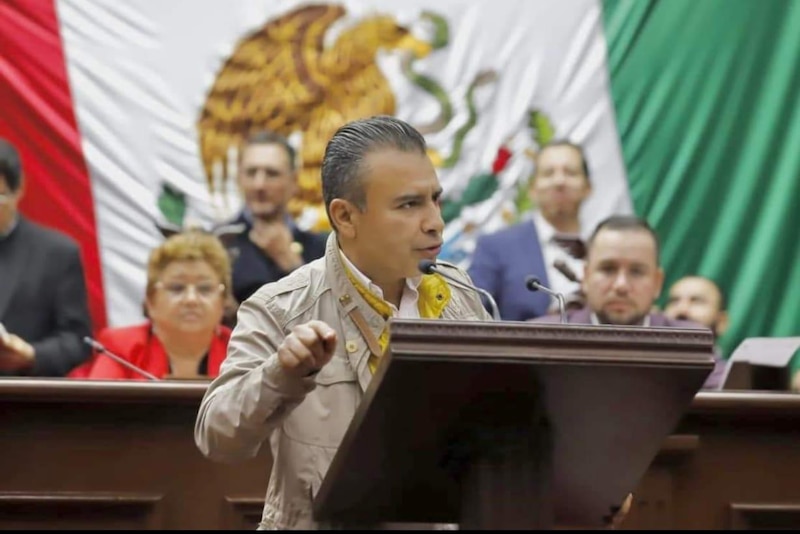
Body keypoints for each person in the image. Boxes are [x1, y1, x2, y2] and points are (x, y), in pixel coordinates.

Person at [194, 116, 494, 529]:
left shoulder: (457, 293)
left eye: (435, 199)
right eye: (409, 204)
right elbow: (217, 436)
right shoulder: (282, 307)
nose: (435, 222)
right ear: (346, 216)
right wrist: (280, 375)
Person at [81, 231, 232, 380]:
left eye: (204, 288)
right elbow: (98, 403)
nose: (191, 299)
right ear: (151, 300)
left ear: (224, 301)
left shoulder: (242, 352)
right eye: (177, 288)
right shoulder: (122, 348)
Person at [468, 140, 592, 321]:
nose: (559, 181)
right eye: (548, 173)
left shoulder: (607, 247)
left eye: (570, 173)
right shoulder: (496, 247)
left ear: (588, 188)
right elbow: (471, 317)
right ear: (533, 189)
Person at [0, 138, 92, 376]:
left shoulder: (56, 254)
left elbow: (77, 340)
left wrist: (32, 354)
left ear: (18, 189)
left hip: (23, 399)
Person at [533, 215, 706, 335]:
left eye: (636, 272)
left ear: (657, 283)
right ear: (586, 277)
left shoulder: (692, 342)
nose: (621, 285)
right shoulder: (539, 338)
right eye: (608, 270)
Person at [223, 130, 328, 305]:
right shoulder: (217, 243)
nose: (259, 185)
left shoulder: (322, 250)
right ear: (239, 178)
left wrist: (292, 264)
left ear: (293, 181)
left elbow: (333, 313)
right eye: (251, 173)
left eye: (271, 173)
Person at [663, 275, 730, 389]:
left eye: (697, 301)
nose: (682, 309)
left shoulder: (733, 381)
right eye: (674, 301)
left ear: (721, 322)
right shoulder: (638, 373)